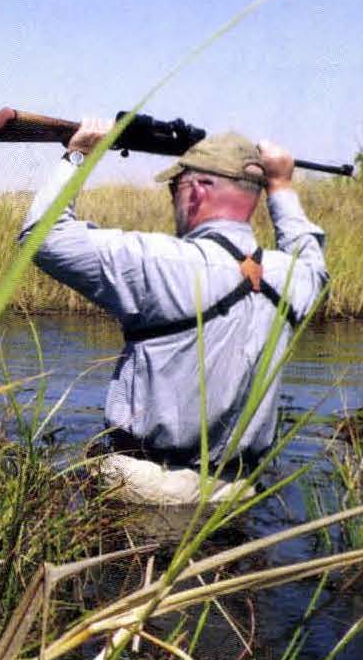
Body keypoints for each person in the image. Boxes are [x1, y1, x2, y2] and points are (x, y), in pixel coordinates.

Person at [19, 118, 328, 505]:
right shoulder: (296, 277)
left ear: (196, 190)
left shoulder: (160, 262)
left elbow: (42, 237)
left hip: (143, 490)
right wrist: (282, 186)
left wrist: (80, 154)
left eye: (174, 187)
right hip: (235, 496)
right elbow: (311, 255)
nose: (172, 199)